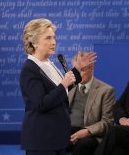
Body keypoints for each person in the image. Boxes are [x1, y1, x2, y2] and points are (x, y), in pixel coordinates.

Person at [20, 18, 97, 155]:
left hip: (56, 137)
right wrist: (63, 85)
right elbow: (41, 104)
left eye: (54, 37)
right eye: (48, 38)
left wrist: (77, 70)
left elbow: (62, 93)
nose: (54, 42)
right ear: (34, 42)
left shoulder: (49, 63)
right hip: (42, 140)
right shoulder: (29, 69)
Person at [67, 52, 116, 155]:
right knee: (51, 139)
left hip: (91, 134)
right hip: (68, 130)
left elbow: (107, 122)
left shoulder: (106, 90)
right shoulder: (68, 88)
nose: (79, 74)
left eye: (83, 69)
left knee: (82, 145)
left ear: (91, 68)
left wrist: (87, 131)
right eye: (76, 70)